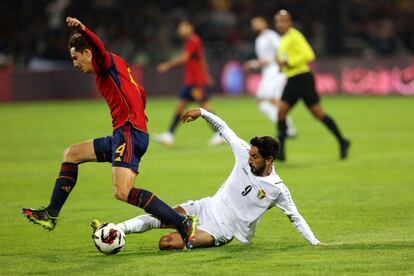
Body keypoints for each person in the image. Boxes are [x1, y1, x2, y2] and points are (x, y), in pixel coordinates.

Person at [21, 17, 197, 250]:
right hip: (125, 133)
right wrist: (140, 113)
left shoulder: (103, 62)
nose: (74, 64)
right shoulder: (118, 64)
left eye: (75, 58)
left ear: (87, 53)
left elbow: (99, 47)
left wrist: (83, 29)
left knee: (122, 192)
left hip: (128, 133)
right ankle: (51, 214)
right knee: (72, 154)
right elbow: (140, 91)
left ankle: (182, 223)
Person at [93, 108, 321, 250]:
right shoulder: (244, 152)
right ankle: (117, 229)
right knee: (159, 216)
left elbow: (295, 217)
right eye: (249, 155)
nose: (249, 159)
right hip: (206, 206)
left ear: (269, 159)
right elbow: (224, 128)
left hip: (222, 230)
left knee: (166, 244)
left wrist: (316, 244)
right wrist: (201, 112)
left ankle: (181, 233)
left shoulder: (277, 189)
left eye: (254, 157)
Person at [274, 10, 351, 160]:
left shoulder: (295, 36)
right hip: (292, 79)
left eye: (283, 21)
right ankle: (281, 152)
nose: (280, 24)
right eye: (278, 21)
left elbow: (309, 55)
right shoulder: (284, 39)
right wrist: (281, 64)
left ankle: (343, 141)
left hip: (303, 79)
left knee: (318, 114)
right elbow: (284, 57)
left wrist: (289, 63)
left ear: (289, 22)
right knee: (281, 112)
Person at [154, 19, 223, 146]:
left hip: (196, 83)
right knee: (180, 106)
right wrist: (207, 76)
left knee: (205, 107)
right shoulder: (192, 41)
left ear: (191, 27)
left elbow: (184, 58)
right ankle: (169, 135)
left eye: (184, 27)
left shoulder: (193, 40)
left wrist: (167, 65)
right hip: (190, 82)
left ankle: (220, 134)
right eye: (180, 28)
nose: (181, 30)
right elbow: (202, 60)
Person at [243, 16, 296, 137]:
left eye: (257, 22)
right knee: (268, 101)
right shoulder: (260, 39)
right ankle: (286, 127)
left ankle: (287, 128)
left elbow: (281, 49)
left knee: (270, 100)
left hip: (275, 71)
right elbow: (263, 60)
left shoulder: (270, 35)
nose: (255, 25)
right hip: (268, 72)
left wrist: (254, 63)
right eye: (253, 23)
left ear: (264, 23)